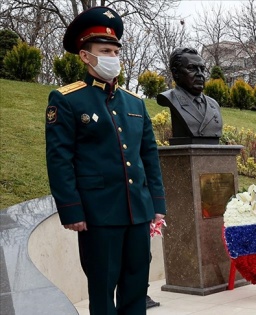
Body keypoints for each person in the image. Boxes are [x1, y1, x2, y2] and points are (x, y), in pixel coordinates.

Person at [45, 6, 166, 314]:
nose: (113, 56)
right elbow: (60, 159)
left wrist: (157, 205)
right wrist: (71, 209)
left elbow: (148, 156)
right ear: (86, 56)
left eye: (115, 50)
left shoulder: (135, 102)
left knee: (137, 286)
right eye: (105, 50)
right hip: (98, 214)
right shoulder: (68, 99)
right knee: (102, 288)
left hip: (137, 212)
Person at [157, 47, 223, 145]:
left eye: (202, 69)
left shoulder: (213, 104)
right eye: (192, 68)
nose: (200, 74)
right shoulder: (170, 98)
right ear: (176, 73)